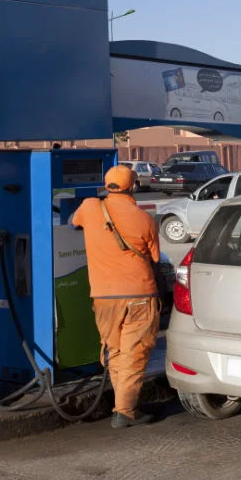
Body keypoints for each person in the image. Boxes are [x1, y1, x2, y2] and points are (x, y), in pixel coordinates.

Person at [71, 165, 161, 428]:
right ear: (133, 187)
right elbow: (155, 258)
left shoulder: (89, 208)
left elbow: (71, 222)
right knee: (135, 352)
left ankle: (124, 407)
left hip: (103, 297)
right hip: (140, 295)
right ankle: (125, 410)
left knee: (116, 350)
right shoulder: (145, 219)